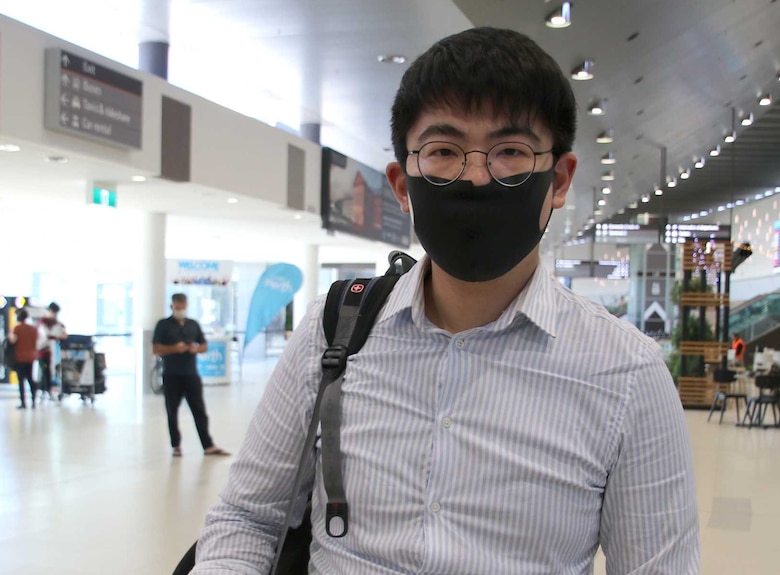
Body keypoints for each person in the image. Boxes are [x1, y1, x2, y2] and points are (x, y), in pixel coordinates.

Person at [193, 27, 698, 574]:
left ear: (559, 178)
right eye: (443, 150)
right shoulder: (333, 331)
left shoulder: (626, 374)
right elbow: (248, 517)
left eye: (510, 151)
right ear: (403, 184)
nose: (476, 176)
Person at [152, 294, 230, 458]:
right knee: (172, 411)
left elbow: (204, 346)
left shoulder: (193, 324)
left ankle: (208, 445)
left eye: (183, 307)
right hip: (172, 374)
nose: (181, 310)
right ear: (172, 307)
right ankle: (176, 445)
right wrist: (176, 348)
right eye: (178, 307)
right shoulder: (163, 325)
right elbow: (156, 349)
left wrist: (195, 349)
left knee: (199, 410)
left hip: (191, 374)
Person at [8, 309, 39, 410]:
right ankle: (34, 400)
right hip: (31, 357)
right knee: (30, 378)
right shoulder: (33, 329)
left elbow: (13, 340)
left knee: (21, 380)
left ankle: (23, 402)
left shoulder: (17, 328)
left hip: (20, 357)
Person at [37, 302, 67, 401]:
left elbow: (61, 332)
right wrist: (58, 336)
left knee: (50, 372)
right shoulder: (43, 322)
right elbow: (46, 335)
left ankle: (47, 391)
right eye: (54, 312)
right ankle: (45, 391)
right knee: (45, 372)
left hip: (53, 352)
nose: (54, 315)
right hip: (43, 351)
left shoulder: (56, 323)